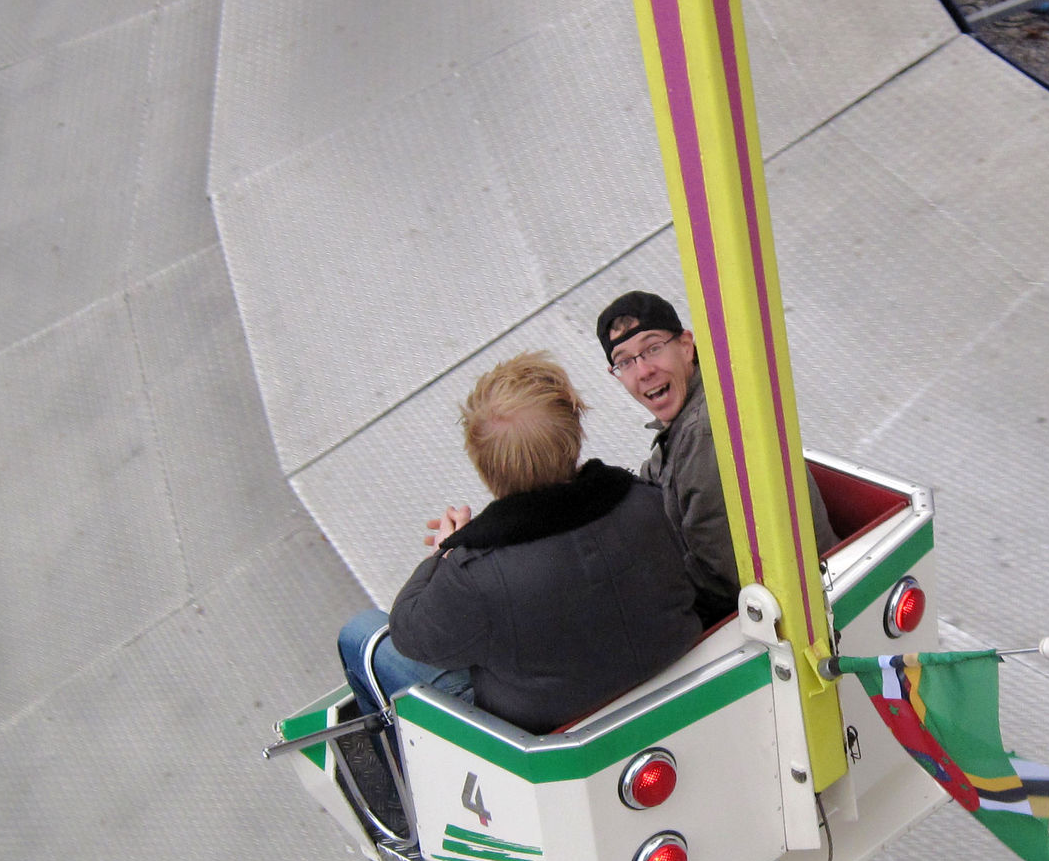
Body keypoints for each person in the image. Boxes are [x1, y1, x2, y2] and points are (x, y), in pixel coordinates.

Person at [337, 352, 701, 736]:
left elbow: (409, 634)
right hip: (670, 682)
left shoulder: (474, 576)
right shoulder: (647, 502)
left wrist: (445, 552)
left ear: (484, 464)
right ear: (574, 433)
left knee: (360, 633)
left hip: (540, 737)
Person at [595, 291, 838, 626]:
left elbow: (723, 579)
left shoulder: (705, 431)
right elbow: (651, 489)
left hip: (803, 612)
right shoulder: (683, 425)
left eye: (653, 349)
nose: (644, 371)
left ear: (686, 346)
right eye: (625, 362)